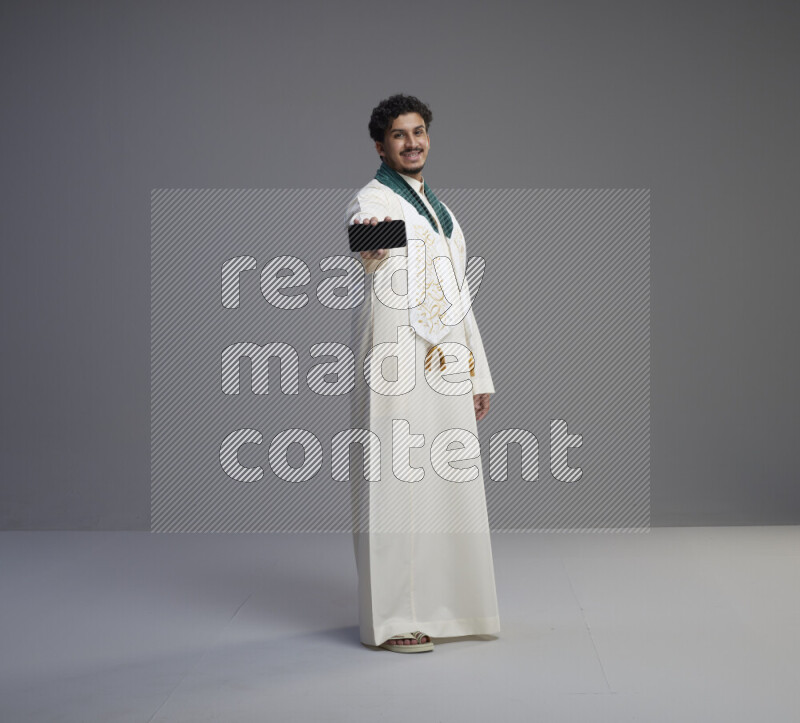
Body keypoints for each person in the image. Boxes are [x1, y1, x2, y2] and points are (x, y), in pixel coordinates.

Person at [344, 94, 500, 653]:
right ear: (381, 145)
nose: (412, 143)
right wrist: (372, 240)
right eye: (399, 135)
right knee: (393, 480)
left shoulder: (440, 208)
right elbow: (365, 239)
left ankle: (445, 608)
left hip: (445, 359)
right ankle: (389, 621)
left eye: (419, 132)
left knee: (445, 482)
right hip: (393, 355)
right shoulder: (373, 197)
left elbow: (459, 293)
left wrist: (478, 370)